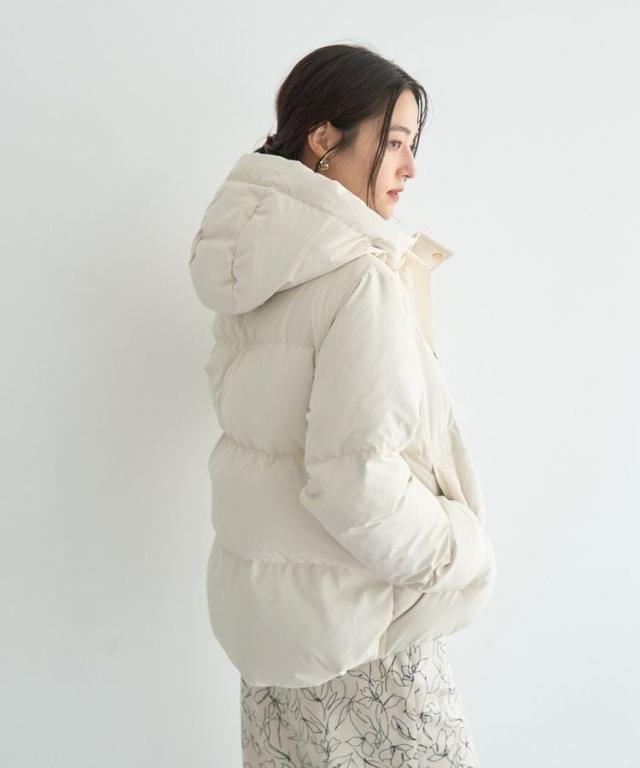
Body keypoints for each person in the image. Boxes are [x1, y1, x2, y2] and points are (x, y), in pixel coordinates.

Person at [189, 42, 497, 768]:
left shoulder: (251, 272)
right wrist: (462, 548)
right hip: (365, 646)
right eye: (395, 142)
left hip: (271, 644)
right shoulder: (360, 280)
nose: (410, 167)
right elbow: (354, 483)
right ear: (324, 138)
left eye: (414, 146)